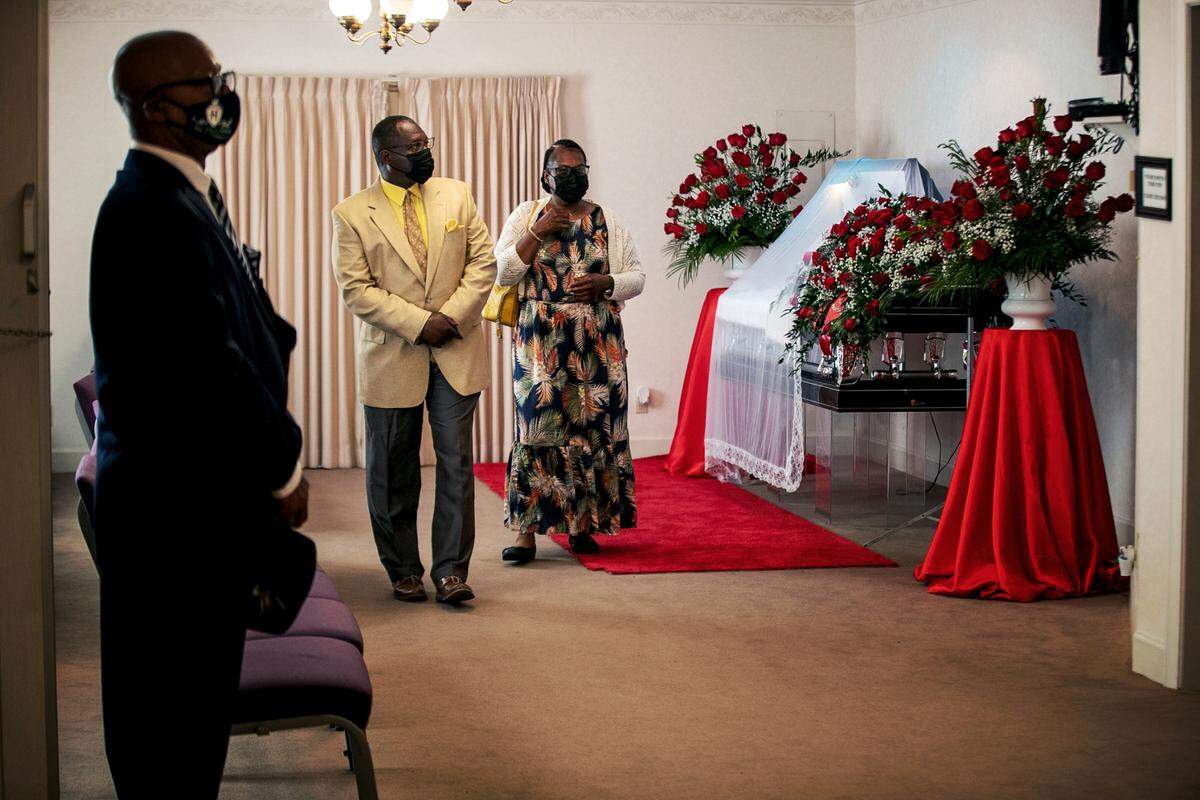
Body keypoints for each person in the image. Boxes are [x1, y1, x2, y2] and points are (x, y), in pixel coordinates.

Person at [90, 31, 312, 797]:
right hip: (172, 526)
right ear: (157, 107)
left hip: (187, 517)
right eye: (206, 83)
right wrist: (285, 465)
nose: (223, 96)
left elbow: (249, 326)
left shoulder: (182, 194)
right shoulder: (149, 208)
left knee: (192, 736)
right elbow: (208, 366)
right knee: (170, 743)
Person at [332, 116, 496, 605]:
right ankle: (403, 568)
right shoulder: (351, 213)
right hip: (392, 356)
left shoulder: (456, 194)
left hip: (456, 349)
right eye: (415, 146)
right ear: (386, 156)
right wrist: (418, 322)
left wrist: (447, 317)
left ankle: (450, 571)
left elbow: (482, 262)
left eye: (427, 143)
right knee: (391, 470)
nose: (426, 152)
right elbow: (356, 290)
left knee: (456, 465)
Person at [493, 139, 644, 562]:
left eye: (581, 169)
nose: (573, 176)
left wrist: (606, 284)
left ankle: (583, 526)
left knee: (595, 429)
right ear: (545, 176)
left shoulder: (606, 218)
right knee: (537, 428)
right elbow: (503, 270)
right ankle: (525, 533)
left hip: (598, 338)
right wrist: (538, 231)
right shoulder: (526, 214)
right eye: (563, 170)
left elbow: (637, 276)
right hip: (540, 337)